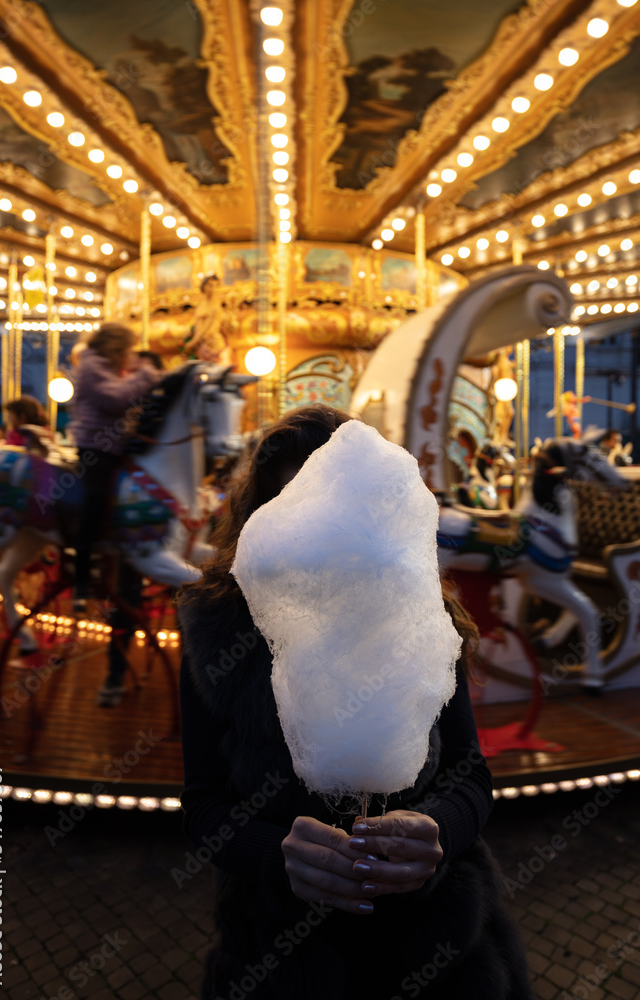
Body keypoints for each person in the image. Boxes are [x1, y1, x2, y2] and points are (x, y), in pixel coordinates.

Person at [179, 405, 534, 1000]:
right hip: (279, 948)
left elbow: (470, 773)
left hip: (440, 943)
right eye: (291, 510)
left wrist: (439, 827)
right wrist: (273, 853)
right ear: (259, 517)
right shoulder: (215, 626)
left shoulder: (423, 612)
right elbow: (203, 805)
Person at [69, 322, 159, 612]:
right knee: (94, 499)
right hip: (96, 446)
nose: (130, 355)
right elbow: (115, 398)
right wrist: (145, 374)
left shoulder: (108, 366)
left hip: (116, 443)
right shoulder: (92, 366)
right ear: (115, 347)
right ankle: (81, 576)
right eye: (127, 349)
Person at [183, 272, 231, 364]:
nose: (212, 289)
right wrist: (190, 333)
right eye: (210, 285)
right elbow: (197, 324)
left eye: (215, 286)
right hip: (202, 344)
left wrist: (193, 342)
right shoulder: (201, 305)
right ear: (203, 286)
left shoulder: (215, 306)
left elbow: (210, 328)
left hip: (213, 343)